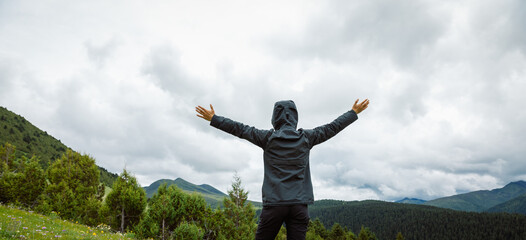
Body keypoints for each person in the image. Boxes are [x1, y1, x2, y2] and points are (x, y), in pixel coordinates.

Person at [195, 99, 369, 240]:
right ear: (294, 117)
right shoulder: (307, 138)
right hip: (299, 205)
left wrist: (214, 119)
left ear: (275, 118)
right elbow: (332, 127)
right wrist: (352, 113)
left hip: (274, 204)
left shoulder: (267, 138)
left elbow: (240, 129)